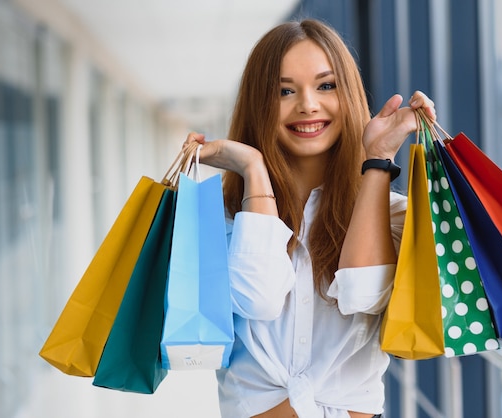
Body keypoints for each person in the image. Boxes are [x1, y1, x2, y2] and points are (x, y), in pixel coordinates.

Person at [183, 19, 435, 418]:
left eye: (326, 85)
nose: (308, 104)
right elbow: (259, 297)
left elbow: (363, 294)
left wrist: (378, 161)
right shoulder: (221, 215)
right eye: (285, 90)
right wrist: (253, 169)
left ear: (347, 94)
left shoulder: (390, 210)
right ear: (259, 103)